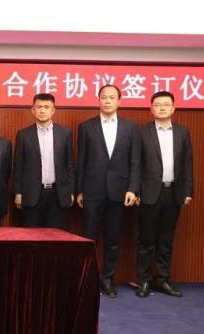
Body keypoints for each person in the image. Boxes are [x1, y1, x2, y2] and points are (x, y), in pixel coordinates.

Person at [76, 85, 141, 298]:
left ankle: (107, 279)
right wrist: (79, 190)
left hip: (119, 191)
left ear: (119, 101)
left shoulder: (131, 128)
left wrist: (133, 189)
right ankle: (87, 279)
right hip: (92, 190)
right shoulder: (86, 127)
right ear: (98, 100)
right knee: (88, 237)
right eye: (104, 97)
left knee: (113, 238)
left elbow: (135, 161)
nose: (108, 101)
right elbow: (81, 161)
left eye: (112, 98)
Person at [135, 91, 194, 298]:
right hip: (149, 194)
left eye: (166, 104)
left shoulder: (182, 132)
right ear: (151, 108)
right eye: (157, 104)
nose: (162, 108)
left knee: (166, 240)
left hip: (174, 193)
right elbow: (136, 164)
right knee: (146, 240)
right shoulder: (142, 132)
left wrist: (188, 191)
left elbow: (187, 164)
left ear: (173, 108)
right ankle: (143, 281)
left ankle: (162, 280)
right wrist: (136, 191)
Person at [13, 93, 75, 229]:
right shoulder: (23, 134)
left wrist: (70, 191)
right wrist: (18, 193)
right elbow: (18, 166)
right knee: (31, 235)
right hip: (32, 193)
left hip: (57, 194)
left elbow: (70, 165)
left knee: (56, 236)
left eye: (46, 107)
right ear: (33, 110)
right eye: (39, 107)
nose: (42, 110)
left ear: (53, 110)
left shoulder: (65, 133)